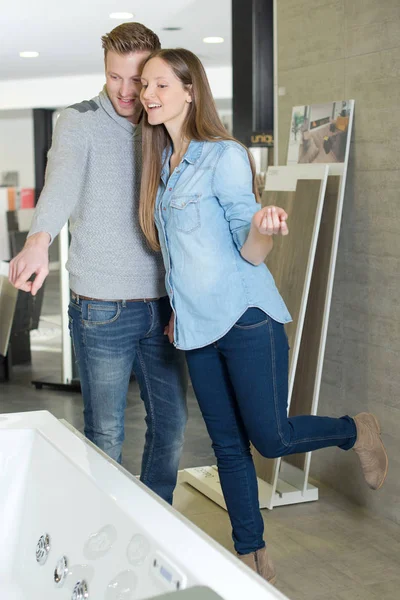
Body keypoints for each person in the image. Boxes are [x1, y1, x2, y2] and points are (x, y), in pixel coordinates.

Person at [138, 48, 389, 583]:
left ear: (189, 90)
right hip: (196, 330)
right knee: (227, 446)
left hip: (246, 319)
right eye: (144, 86)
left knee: (270, 439)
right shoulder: (163, 163)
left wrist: (264, 226)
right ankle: (252, 556)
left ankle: (354, 430)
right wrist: (177, 311)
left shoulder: (224, 155)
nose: (148, 95)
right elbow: (180, 256)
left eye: (160, 84)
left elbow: (248, 249)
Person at [8, 24, 188, 506]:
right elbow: (60, 183)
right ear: (104, 72)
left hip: (167, 306)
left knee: (171, 426)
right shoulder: (79, 121)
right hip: (102, 309)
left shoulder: (164, 125)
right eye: (116, 78)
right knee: (105, 434)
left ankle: (156, 522)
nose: (128, 92)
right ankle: (101, 525)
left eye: (139, 80)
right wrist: (37, 241)